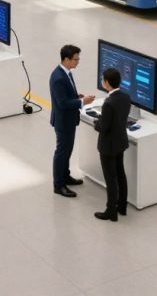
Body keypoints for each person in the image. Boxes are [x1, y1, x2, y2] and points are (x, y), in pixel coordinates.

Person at [49, 44, 95, 198]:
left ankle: (65, 176)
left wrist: (79, 97)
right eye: (76, 59)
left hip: (69, 120)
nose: (78, 61)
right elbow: (62, 103)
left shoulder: (66, 73)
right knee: (62, 152)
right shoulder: (58, 78)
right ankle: (58, 184)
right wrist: (83, 102)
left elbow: (68, 96)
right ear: (66, 59)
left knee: (67, 151)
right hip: (63, 122)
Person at [93, 67, 130, 223]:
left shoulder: (108, 103)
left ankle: (111, 212)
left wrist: (97, 122)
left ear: (107, 83)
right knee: (120, 174)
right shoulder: (125, 97)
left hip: (108, 146)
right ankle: (122, 206)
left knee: (110, 178)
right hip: (121, 141)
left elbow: (104, 126)